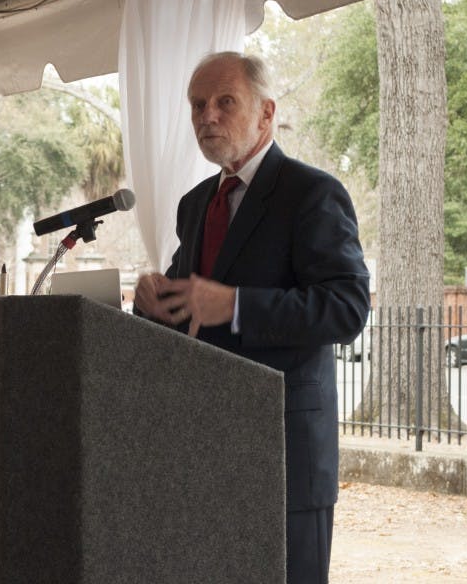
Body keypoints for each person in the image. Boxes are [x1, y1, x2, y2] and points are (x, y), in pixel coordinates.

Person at [133, 51, 370, 584]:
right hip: (205, 452)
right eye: (197, 105)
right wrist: (152, 298)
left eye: (224, 102)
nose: (206, 116)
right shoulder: (196, 204)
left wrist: (237, 305)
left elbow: (348, 307)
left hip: (284, 457)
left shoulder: (312, 193)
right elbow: (186, 306)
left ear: (266, 113)